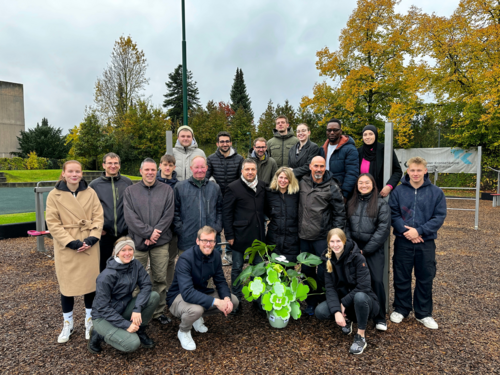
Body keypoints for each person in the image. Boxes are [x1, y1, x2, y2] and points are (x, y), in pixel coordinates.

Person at [46, 160, 104, 343]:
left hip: (89, 244)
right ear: (63, 173)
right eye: (70, 171)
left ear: (81, 173)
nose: (74, 174)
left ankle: (89, 320)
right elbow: (53, 224)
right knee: (67, 287)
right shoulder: (54, 195)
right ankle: (68, 323)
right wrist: (71, 242)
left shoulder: (90, 192)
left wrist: (92, 238)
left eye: (77, 171)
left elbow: (98, 216)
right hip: (67, 247)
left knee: (90, 286)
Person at [389, 157, 446, 329]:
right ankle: (401, 308)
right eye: (412, 170)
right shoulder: (398, 191)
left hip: (425, 242)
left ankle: (423, 313)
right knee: (401, 275)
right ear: (408, 171)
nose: (415, 173)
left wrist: (419, 231)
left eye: (419, 170)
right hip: (403, 240)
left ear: (425, 171)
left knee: (425, 277)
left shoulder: (436, 192)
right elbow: (393, 213)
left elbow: (439, 216)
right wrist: (408, 232)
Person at [167, 226, 239, 351]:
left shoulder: (216, 256)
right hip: (178, 297)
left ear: (215, 242)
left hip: (200, 292)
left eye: (211, 241)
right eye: (204, 240)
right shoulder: (185, 259)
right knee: (196, 310)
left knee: (233, 301)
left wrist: (226, 299)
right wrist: (217, 302)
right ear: (197, 241)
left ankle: (195, 318)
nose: (208, 244)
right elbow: (187, 293)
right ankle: (183, 331)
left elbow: (220, 281)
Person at [124, 158, 175, 325]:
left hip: (160, 243)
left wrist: (154, 235)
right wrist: (148, 233)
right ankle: (137, 311)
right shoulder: (130, 191)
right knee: (136, 280)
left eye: (153, 169)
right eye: (147, 170)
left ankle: (158, 312)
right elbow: (130, 217)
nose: (150, 173)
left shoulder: (167, 190)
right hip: (138, 243)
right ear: (141, 171)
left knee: (160, 278)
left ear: (157, 170)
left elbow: (168, 215)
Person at [88, 237, 160, 354]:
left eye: (130, 249)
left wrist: (137, 308)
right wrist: (126, 325)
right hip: (103, 317)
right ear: (116, 252)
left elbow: (146, 285)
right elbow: (103, 308)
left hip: (122, 309)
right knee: (132, 344)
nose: (127, 253)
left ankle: (139, 330)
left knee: (154, 296)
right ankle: (98, 334)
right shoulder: (106, 276)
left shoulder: (135, 264)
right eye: (123, 250)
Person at [315, 228, 380, 355]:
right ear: (328, 243)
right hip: (343, 300)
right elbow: (330, 288)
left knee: (360, 297)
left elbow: (364, 286)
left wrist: (343, 303)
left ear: (344, 241)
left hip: (365, 301)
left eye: (338, 241)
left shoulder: (357, 257)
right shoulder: (327, 259)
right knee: (320, 312)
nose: (335, 245)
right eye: (332, 241)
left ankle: (360, 336)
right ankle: (347, 320)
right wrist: (337, 311)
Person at [298, 156, 346, 315]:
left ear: (325, 167)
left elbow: (339, 212)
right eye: (316, 166)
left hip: (322, 237)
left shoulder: (332, 186)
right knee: (307, 271)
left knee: (324, 271)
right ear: (310, 166)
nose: (319, 169)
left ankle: (326, 300)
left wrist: (335, 237)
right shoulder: (302, 182)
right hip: (304, 237)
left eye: (322, 166)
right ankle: (310, 302)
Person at [345, 173, 391, 330]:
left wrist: (366, 250)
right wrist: (353, 247)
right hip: (354, 249)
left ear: (373, 184)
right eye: (360, 183)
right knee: (352, 281)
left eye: (367, 182)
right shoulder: (351, 202)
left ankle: (380, 317)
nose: (363, 185)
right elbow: (346, 226)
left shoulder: (381, 204)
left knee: (376, 281)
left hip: (373, 250)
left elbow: (383, 230)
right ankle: (352, 315)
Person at [222, 158, 266, 308]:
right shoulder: (233, 187)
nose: (250, 172)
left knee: (258, 268)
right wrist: (229, 235)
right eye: (247, 169)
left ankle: (257, 298)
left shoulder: (262, 186)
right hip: (239, 235)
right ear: (242, 171)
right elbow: (226, 213)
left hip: (258, 236)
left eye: (253, 169)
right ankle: (236, 299)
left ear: (256, 171)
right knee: (237, 268)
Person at [90, 152, 133, 272]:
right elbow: (89, 209)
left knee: (125, 265)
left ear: (119, 165)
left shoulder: (127, 183)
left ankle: (124, 290)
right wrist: (98, 227)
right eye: (109, 163)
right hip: (104, 234)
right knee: (103, 266)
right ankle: (104, 290)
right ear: (104, 165)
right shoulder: (95, 185)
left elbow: (133, 206)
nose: (113, 166)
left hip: (124, 234)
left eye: (116, 163)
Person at [206, 131, 244, 265]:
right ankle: (215, 254)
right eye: (222, 141)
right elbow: (206, 177)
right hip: (216, 199)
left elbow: (242, 179)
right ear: (217, 144)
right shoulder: (211, 159)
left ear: (231, 143)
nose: (225, 144)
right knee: (215, 227)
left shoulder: (239, 159)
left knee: (232, 226)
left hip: (233, 199)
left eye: (227, 141)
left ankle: (229, 253)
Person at [174, 156, 223, 254]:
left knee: (210, 268)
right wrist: (181, 229)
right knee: (188, 268)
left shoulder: (215, 188)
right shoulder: (180, 187)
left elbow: (220, 210)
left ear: (207, 168)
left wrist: (217, 228)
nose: (200, 170)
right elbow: (175, 211)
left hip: (210, 239)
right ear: (191, 168)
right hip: (187, 239)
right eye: (196, 167)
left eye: (202, 167)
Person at [265, 167, 300, 263]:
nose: (283, 181)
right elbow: (266, 211)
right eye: (281, 177)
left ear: (290, 180)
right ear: (276, 178)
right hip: (274, 236)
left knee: (289, 269)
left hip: (291, 239)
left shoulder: (296, 194)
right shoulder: (269, 193)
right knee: (274, 270)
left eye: (286, 178)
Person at [318, 118, 359, 199]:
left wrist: (344, 195)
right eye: (329, 130)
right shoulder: (322, 149)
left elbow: (352, 174)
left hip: (340, 193)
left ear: (340, 131)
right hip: (324, 191)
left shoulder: (350, 149)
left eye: (335, 130)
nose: (332, 132)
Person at [156, 154, 180, 292]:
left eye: (170, 165)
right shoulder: (154, 183)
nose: (167, 167)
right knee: (158, 262)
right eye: (165, 164)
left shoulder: (178, 185)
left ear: (174, 167)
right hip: (158, 229)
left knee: (170, 260)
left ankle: (169, 288)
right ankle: (156, 289)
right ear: (160, 165)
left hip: (173, 229)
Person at [358, 125, 403, 197]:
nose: (367, 137)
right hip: (362, 194)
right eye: (365, 135)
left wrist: (389, 186)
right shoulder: (358, 152)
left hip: (381, 194)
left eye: (371, 134)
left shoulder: (385, 149)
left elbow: (397, 171)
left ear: (375, 135)